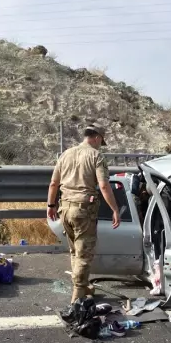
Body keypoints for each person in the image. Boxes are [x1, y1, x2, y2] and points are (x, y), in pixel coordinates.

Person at [47, 124, 120, 303]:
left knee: (74, 251)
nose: (100, 145)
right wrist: (115, 209)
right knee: (84, 254)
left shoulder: (65, 154)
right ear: (97, 137)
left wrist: (50, 205)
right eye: (101, 141)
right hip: (83, 211)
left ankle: (83, 284)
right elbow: (103, 186)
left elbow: (53, 184)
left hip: (64, 209)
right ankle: (78, 294)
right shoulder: (96, 156)